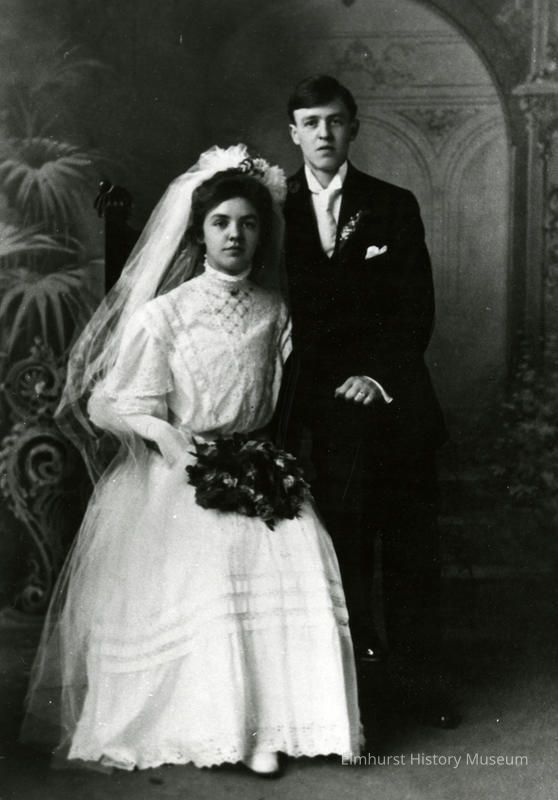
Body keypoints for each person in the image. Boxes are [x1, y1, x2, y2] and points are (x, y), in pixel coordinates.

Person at [20, 145, 361, 775]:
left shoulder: (275, 310)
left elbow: (291, 392)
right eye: (221, 222)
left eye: (248, 223)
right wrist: (168, 438)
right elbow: (110, 404)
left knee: (298, 543)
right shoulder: (166, 314)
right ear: (199, 232)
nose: (235, 234)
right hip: (184, 466)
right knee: (207, 557)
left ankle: (270, 726)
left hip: (256, 461)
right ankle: (221, 727)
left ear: (262, 233)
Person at [283, 75, 457, 727]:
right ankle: (353, 704)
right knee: (340, 555)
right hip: (317, 413)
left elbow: (416, 307)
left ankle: (422, 689)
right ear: (293, 133)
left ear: (353, 128)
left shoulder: (393, 204)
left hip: (394, 404)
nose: (324, 133)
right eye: (311, 122)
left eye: (335, 120)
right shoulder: (274, 208)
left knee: (410, 553)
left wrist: (376, 376)